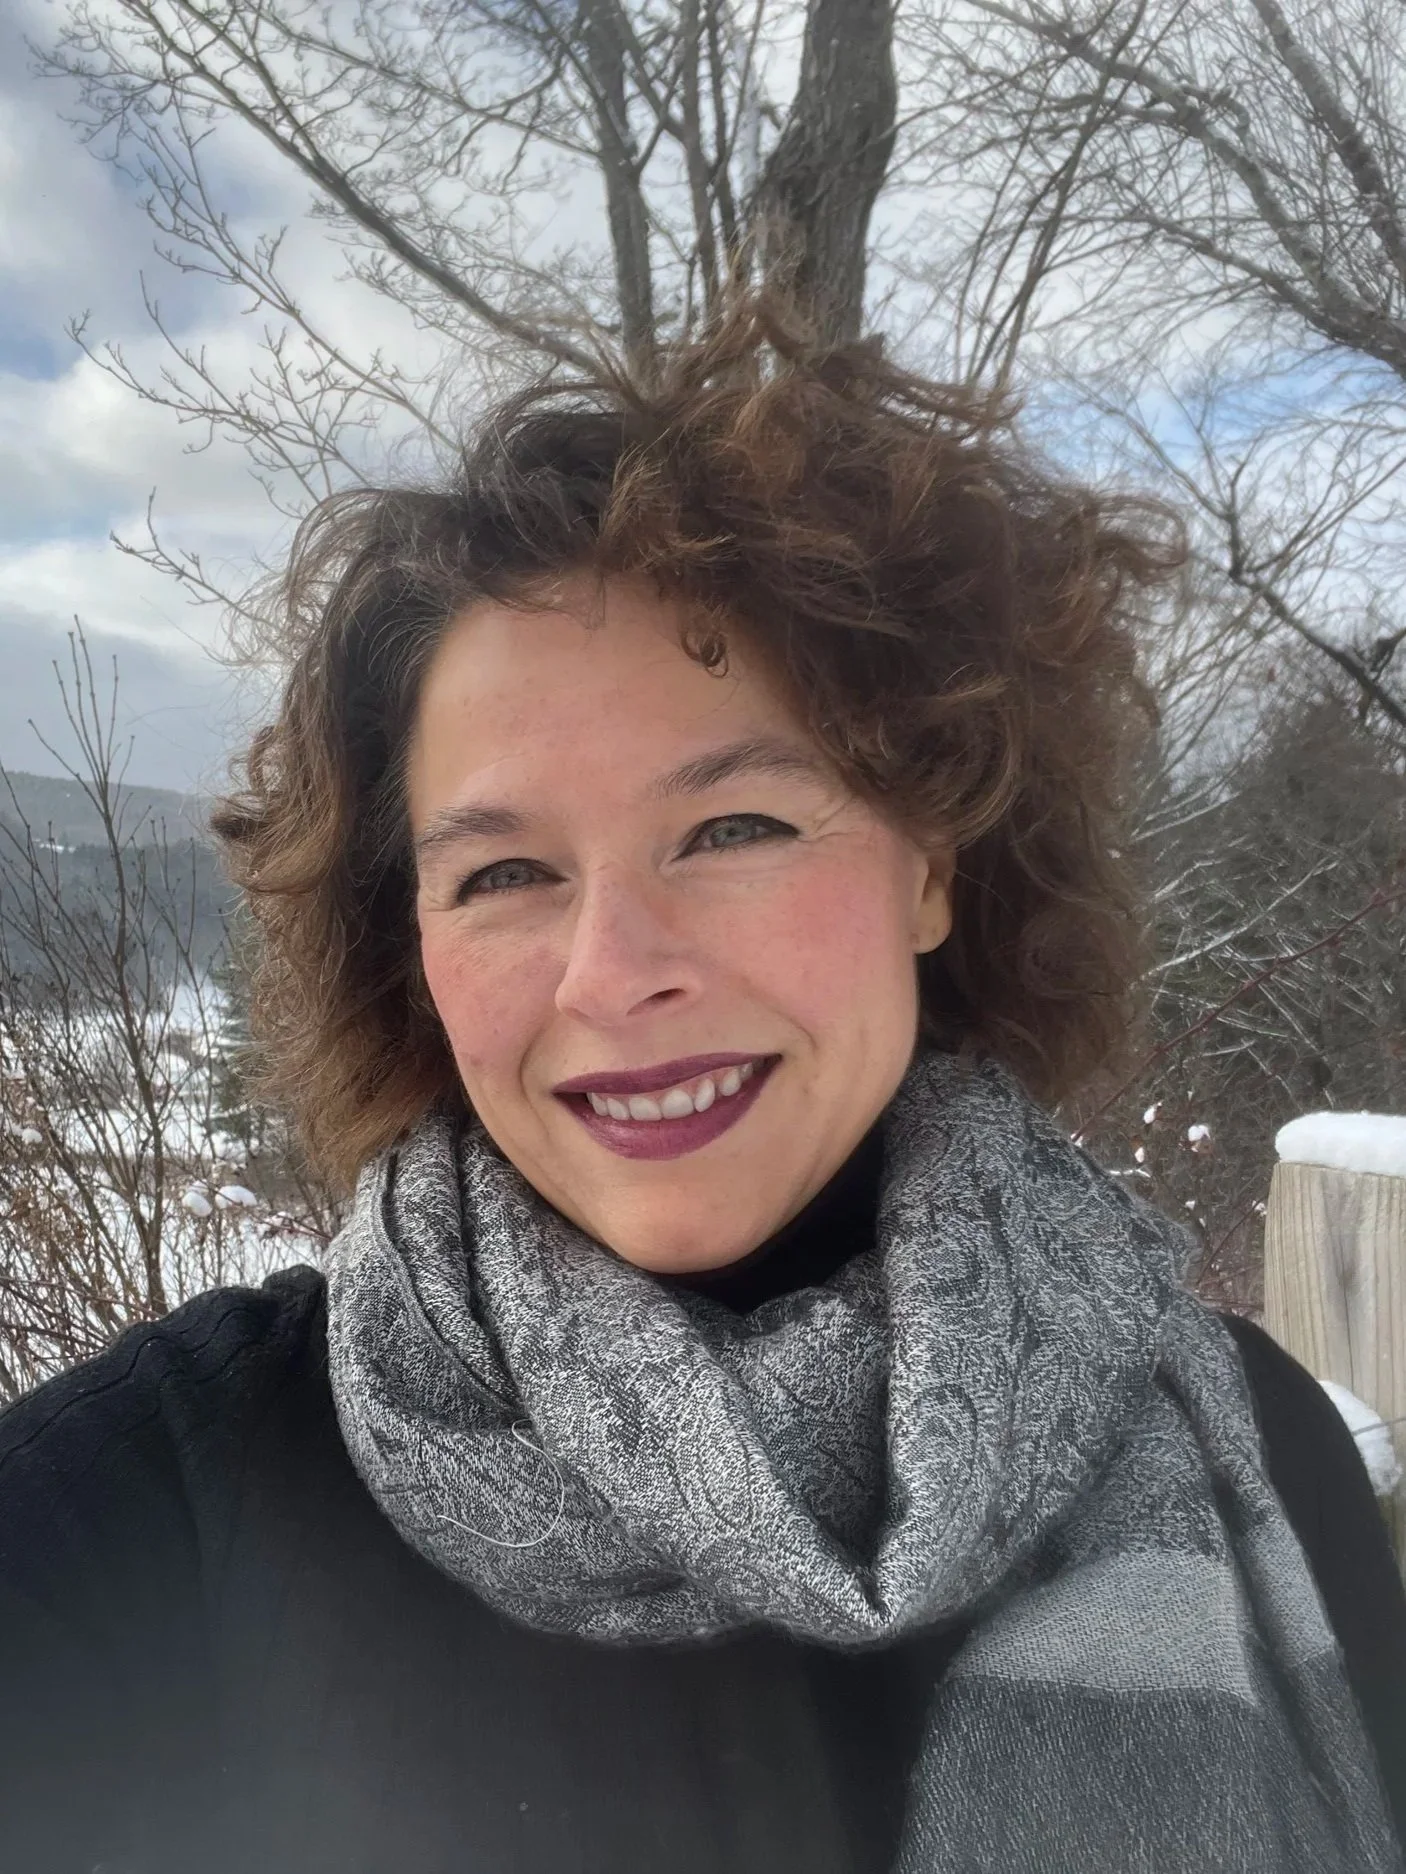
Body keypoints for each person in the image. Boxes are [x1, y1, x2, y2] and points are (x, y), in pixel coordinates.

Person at [1, 300, 1403, 1874]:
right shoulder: (183, 1496)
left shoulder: (1250, 1445)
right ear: (408, 948)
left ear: (931, 864)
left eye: (734, 828)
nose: (612, 972)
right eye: (505, 872)